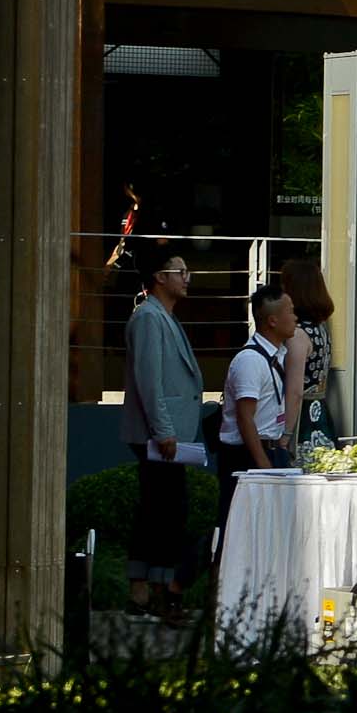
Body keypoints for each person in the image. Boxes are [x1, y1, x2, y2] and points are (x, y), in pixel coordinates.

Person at [117, 242, 203, 626]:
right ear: (159, 277)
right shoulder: (149, 318)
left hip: (168, 435)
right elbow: (149, 380)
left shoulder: (162, 316)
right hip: (158, 436)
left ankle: (150, 590)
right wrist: (164, 430)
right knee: (164, 511)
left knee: (163, 510)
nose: (187, 278)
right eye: (180, 271)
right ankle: (155, 591)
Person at [214, 280, 298, 548]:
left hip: (270, 449)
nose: (295, 317)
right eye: (290, 311)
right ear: (272, 321)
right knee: (236, 529)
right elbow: (245, 417)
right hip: (247, 454)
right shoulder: (250, 360)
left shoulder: (276, 355)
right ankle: (212, 569)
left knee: (270, 531)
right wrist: (264, 466)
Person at [278, 256, 336, 448]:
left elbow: (295, 391)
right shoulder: (321, 329)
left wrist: (286, 434)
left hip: (302, 421)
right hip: (321, 413)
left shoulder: (297, 334)